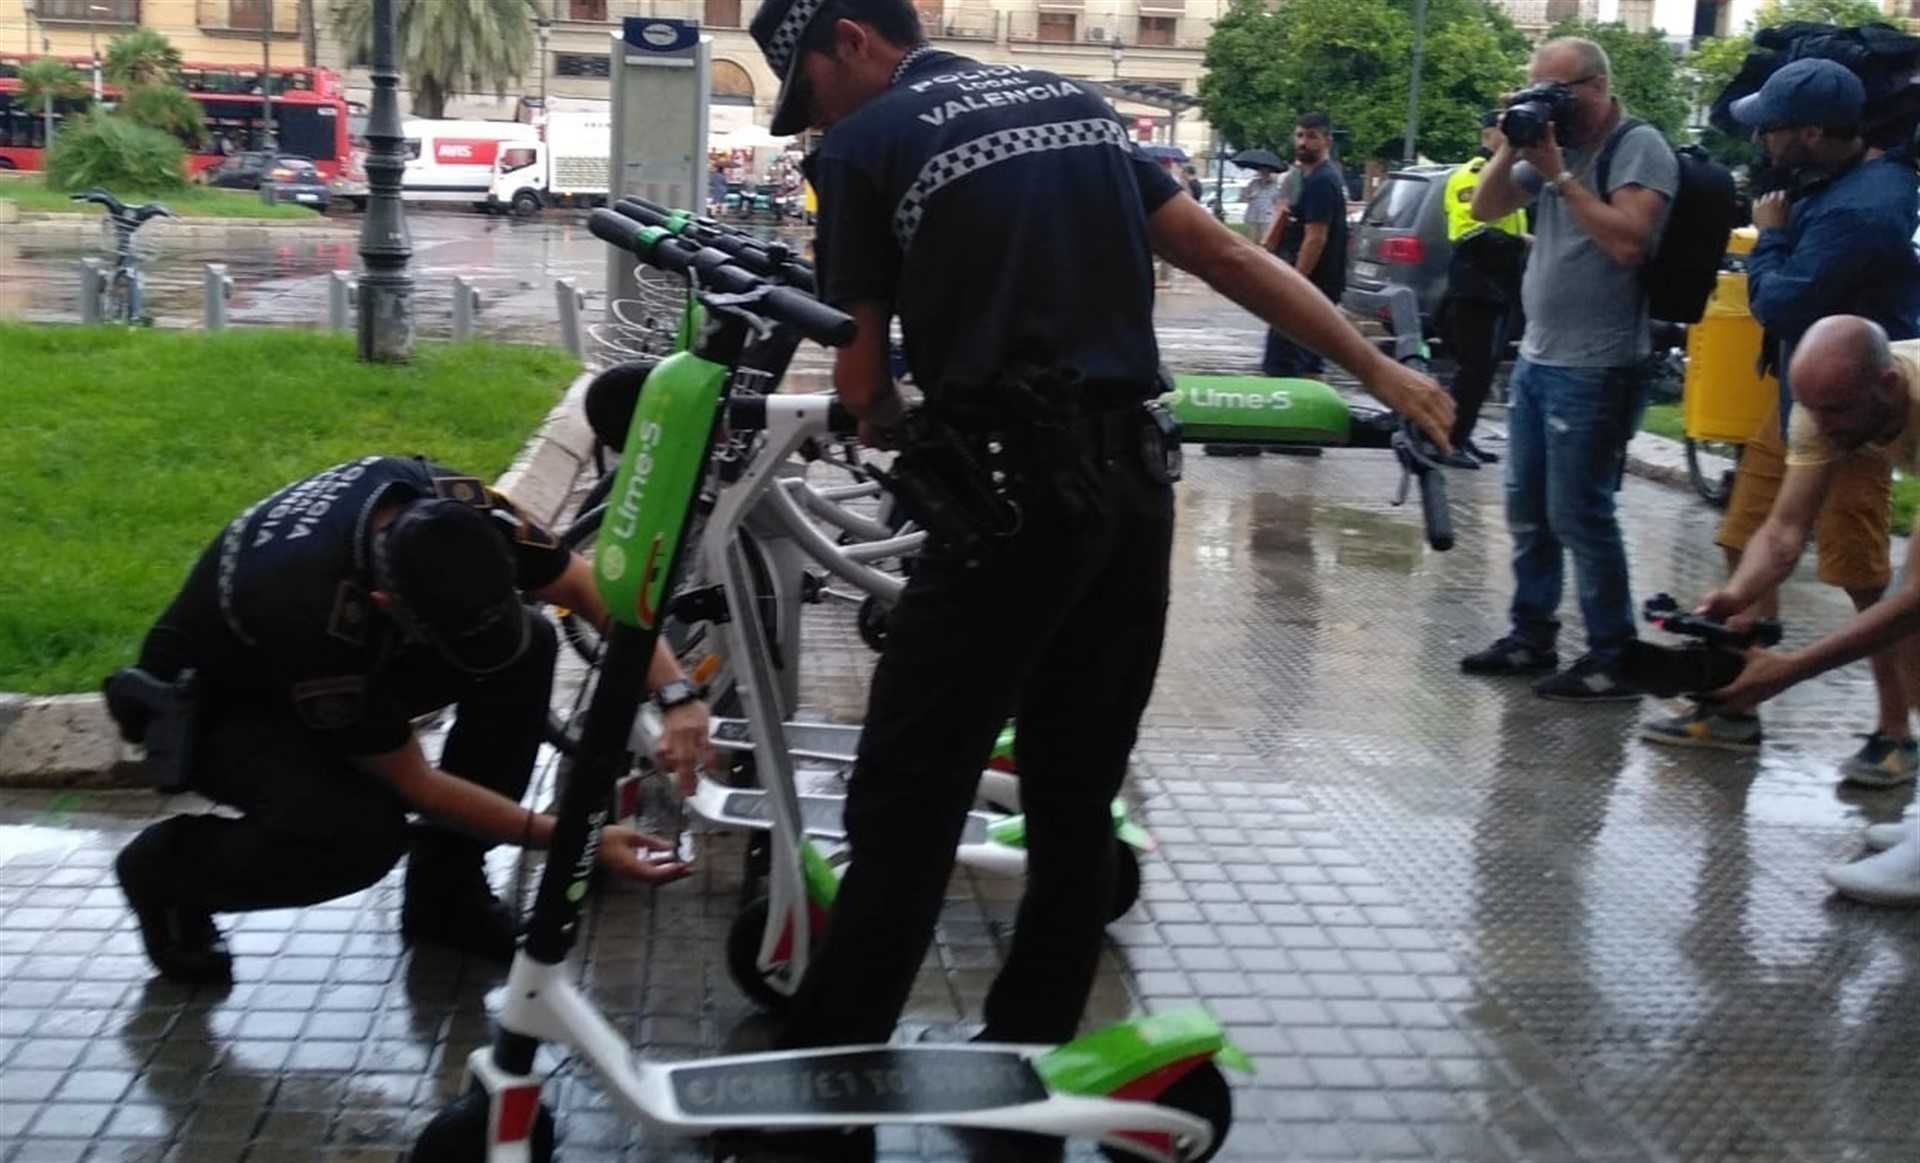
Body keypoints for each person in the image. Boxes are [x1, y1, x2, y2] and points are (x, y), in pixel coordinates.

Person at [736, 0, 1452, 1156]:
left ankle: (820, 1106)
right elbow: (1223, 255)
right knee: (1075, 791)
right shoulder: (1074, 105)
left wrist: (881, 418)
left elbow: (860, 372)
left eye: (808, 89)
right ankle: (1026, 1066)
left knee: (908, 798)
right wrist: (1381, 369)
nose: (812, 117)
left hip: (1003, 501)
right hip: (1130, 491)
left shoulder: (862, 149)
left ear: (848, 42)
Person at [110, 456, 710, 985]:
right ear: (385, 606)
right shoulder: (313, 616)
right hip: (220, 704)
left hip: (318, 648)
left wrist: (677, 694)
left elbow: (580, 582)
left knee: (526, 645)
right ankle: (166, 872)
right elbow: (417, 785)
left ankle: (446, 893)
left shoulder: (455, 504)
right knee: (359, 835)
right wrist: (577, 842)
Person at [1643, 59, 1920, 777]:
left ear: (1811, 132)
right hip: (1805, 391)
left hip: (1864, 407)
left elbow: (1785, 302)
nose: (1759, 139)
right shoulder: (1824, 185)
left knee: (1865, 579)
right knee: (1748, 541)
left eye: (1770, 127)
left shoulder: (1868, 205)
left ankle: (1897, 732)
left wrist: (1769, 236)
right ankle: (1734, 699)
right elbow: (1780, 534)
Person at [1458, 36, 1678, 702]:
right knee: (1527, 509)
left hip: (1601, 365)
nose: (1545, 104)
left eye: (1554, 91)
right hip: (1539, 357)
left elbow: (1628, 243)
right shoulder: (1551, 145)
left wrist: (1558, 175)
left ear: (1595, 87)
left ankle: (1613, 652)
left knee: (1580, 512)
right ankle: (1532, 635)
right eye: (1534, 89)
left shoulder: (1636, 147)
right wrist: (1512, 144)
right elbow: (1485, 208)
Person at [1704, 317, 1920, 904]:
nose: (1821, 428)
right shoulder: (1827, 404)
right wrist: (1737, 595)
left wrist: (1793, 668)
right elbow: (1783, 532)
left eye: (1837, 413)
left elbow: (1911, 604)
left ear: (1886, 385)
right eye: (1813, 411)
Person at [1437, 110, 1528, 469]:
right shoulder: (1472, 174)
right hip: (1474, 281)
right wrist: (1522, 242)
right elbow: (1471, 229)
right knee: (1472, 368)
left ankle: (1464, 435)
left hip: (1499, 285)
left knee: (1486, 369)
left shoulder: (1508, 176)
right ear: (1488, 135)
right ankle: (1448, 440)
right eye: (1502, 135)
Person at [1261, 112, 1348, 378]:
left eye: (1312, 137)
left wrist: (1295, 282)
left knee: (1284, 363)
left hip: (1312, 286)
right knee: (1309, 359)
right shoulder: (1310, 178)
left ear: (1327, 142)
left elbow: (1316, 237)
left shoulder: (1322, 181)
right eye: (1299, 135)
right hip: (1318, 287)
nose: (1303, 143)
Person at [1242, 166, 1281, 243]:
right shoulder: (1253, 183)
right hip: (1253, 215)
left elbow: (1277, 201)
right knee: (1252, 239)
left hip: (1267, 216)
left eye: (1267, 172)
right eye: (1262, 172)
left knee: (1264, 240)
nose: (1264, 174)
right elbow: (1244, 197)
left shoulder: (1275, 186)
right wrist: (1249, 196)